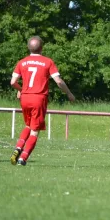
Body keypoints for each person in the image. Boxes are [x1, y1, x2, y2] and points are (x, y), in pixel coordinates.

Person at [10, 36, 75, 166]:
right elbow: (58, 81)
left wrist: (21, 89)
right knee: (35, 130)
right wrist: (69, 93)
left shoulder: (22, 62)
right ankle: (23, 158)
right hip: (38, 98)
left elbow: (12, 82)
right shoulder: (47, 62)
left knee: (28, 125)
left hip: (25, 98)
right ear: (42, 48)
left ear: (28, 47)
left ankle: (18, 148)